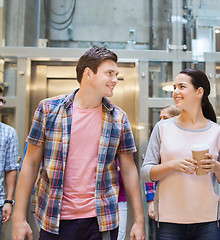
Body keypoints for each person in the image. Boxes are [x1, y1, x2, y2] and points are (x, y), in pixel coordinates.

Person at [12, 47, 146, 240]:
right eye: (109, 73)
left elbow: (129, 169)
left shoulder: (118, 118)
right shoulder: (49, 109)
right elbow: (30, 163)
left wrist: (139, 221)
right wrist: (19, 218)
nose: (115, 79)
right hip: (54, 218)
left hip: (101, 221)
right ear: (88, 74)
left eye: (116, 74)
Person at [141, 68, 220, 240]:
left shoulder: (217, 132)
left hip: (208, 220)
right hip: (170, 220)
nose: (176, 92)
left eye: (181, 87)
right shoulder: (162, 128)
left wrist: (217, 167)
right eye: (174, 87)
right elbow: (145, 173)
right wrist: (172, 165)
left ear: (199, 92)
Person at [144, 105, 181, 220]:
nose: (160, 122)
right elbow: (149, 174)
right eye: (160, 118)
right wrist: (151, 202)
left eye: (165, 118)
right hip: (162, 199)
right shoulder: (157, 143)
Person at [0, 86, 18, 235]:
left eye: (1, 100)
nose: (1, 104)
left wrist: (9, 201)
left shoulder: (8, 133)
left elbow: (11, 168)